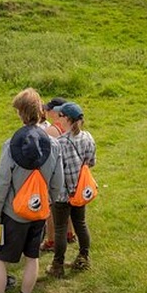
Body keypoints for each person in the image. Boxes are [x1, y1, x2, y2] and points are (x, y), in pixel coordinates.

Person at [0, 88, 64, 293]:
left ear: (21, 113)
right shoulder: (54, 145)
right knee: (32, 258)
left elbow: (2, 185)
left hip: (12, 214)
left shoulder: (11, 145)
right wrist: (46, 204)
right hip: (38, 213)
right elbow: (58, 183)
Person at [46, 102, 96, 279]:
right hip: (80, 191)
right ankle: (83, 258)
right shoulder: (88, 137)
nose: (58, 119)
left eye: (60, 116)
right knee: (80, 223)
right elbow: (91, 162)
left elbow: (53, 171)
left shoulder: (58, 143)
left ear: (67, 119)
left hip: (62, 193)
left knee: (60, 228)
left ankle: (57, 265)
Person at [40, 97, 75, 251]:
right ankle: (70, 233)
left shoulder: (51, 131)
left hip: (57, 172)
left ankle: (51, 240)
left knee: (51, 208)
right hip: (71, 171)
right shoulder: (71, 126)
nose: (46, 112)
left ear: (56, 112)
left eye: (48, 109)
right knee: (69, 204)